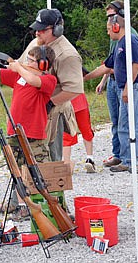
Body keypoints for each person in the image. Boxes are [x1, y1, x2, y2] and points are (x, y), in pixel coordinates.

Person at [0, 44, 57, 220]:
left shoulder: (48, 79)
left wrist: (18, 66)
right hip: (14, 132)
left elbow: (33, 80)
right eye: (27, 59)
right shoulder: (20, 76)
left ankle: (52, 208)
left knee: (42, 173)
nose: (27, 62)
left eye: (32, 60)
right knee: (17, 172)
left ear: (44, 65)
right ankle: (23, 206)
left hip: (34, 135)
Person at [84, 13, 138, 174]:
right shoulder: (119, 44)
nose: (108, 32)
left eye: (109, 29)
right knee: (124, 126)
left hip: (135, 87)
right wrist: (86, 76)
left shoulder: (131, 41)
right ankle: (127, 160)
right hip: (128, 87)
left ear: (117, 27)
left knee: (137, 125)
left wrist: (126, 88)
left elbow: (135, 65)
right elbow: (107, 66)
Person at [19, 9, 84, 165]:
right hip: (31, 111)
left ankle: (53, 190)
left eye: (42, 29)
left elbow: (73, 89)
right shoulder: (36, 44)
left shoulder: (67, 54)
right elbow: (21, 65)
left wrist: (49, 103)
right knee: (28, 159)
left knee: (50, 161)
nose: (37, 33)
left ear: (57, 29)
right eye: (37, 28)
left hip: (52, 113)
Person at [96, 0, 138, 169]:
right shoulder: (114, 37)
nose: (110, 20)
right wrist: (103, 81)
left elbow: (133, 64)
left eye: (112, 16)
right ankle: (118, 155)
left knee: (124, 123)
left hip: (123, 81)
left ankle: (129, 158)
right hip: (113, 81)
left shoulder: (129, 35)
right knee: (116, 121)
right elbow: (110, 61)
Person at [65, 93, 96, 173]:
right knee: (86, 130)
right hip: (80, 100)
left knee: (67, 134)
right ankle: (90, 159)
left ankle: (67, 163)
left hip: (66, 102)